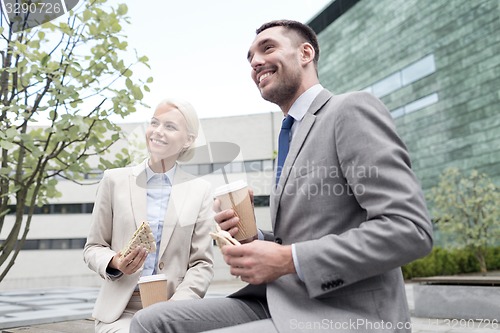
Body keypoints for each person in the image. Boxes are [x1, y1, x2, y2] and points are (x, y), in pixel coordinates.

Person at [131, 20, 433, 333]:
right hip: (281, 298)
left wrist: (289, 259)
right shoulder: (290, 133)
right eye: (249, 58)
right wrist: (254, 239)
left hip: (346, 312)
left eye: (268, 48)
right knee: (150, 321)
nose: (255, 62)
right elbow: (301, 236)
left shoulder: (349, 110)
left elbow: (410, 230)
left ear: (305, 53)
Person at [84, 98, 214, 333]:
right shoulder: (114, 180)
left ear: (188, 140)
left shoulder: (200, 191)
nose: (157, 132)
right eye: (154, 123)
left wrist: (176, 307)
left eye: (170, 127)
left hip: (174, 310)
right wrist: (115, 262)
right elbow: (93, 247)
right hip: (121, 312)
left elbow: (201, 263)